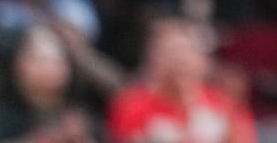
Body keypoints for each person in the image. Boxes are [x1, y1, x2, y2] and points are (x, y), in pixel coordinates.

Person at [107, 18, 255, 143]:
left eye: (184, 51)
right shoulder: (131, 105)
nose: (179, 62)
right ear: (153, 60)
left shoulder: (225, 106)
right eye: (170, 54)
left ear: (201, 60)